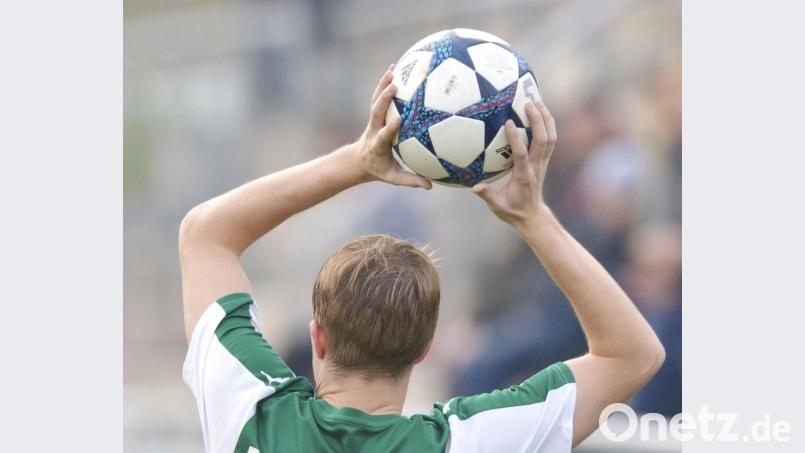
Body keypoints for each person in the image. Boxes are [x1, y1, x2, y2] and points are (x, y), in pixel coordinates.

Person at [178, 67, 665, 453]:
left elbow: (206, 235)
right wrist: (532, 216)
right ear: (424, 348)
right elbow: (633, 354)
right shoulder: (470, 440)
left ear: (318, 337)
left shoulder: (250, 412)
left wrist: (356, 160)